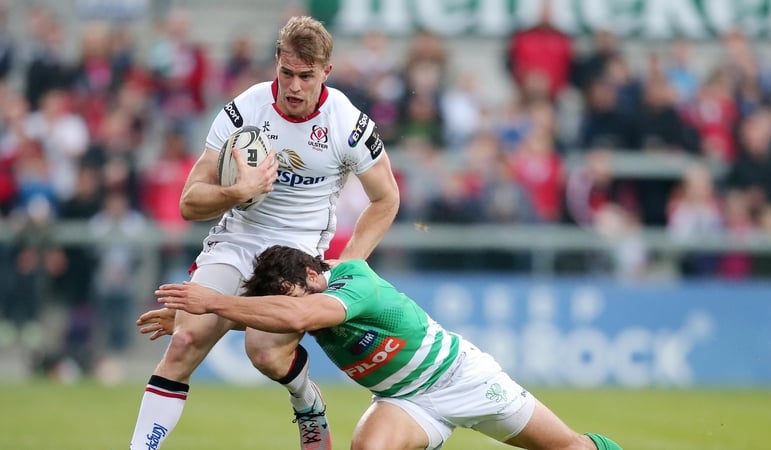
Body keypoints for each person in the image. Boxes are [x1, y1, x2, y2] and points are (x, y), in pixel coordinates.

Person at [128, 16, 400, 450]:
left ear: (325, 72)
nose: (294, 86)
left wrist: (347, 265)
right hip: (237, 238)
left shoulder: (346, 122)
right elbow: (188, 201)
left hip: (298, 252)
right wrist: (239, 190)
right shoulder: (245, 109)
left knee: (265, 354)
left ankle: (306, 400)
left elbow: (386, 199)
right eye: (287, 73)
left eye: (306, 76)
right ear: (277, 63)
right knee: (184, 340)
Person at [142, 245, 624, 450]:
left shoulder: (356, 281)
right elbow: (276, 316)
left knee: (567, 447)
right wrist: (201, 319)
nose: (291, 306)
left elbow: (298, 316)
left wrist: (213, 299)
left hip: (462, 379)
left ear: (314, 275)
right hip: (403, 401)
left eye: (293, 293)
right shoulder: (303, 293)